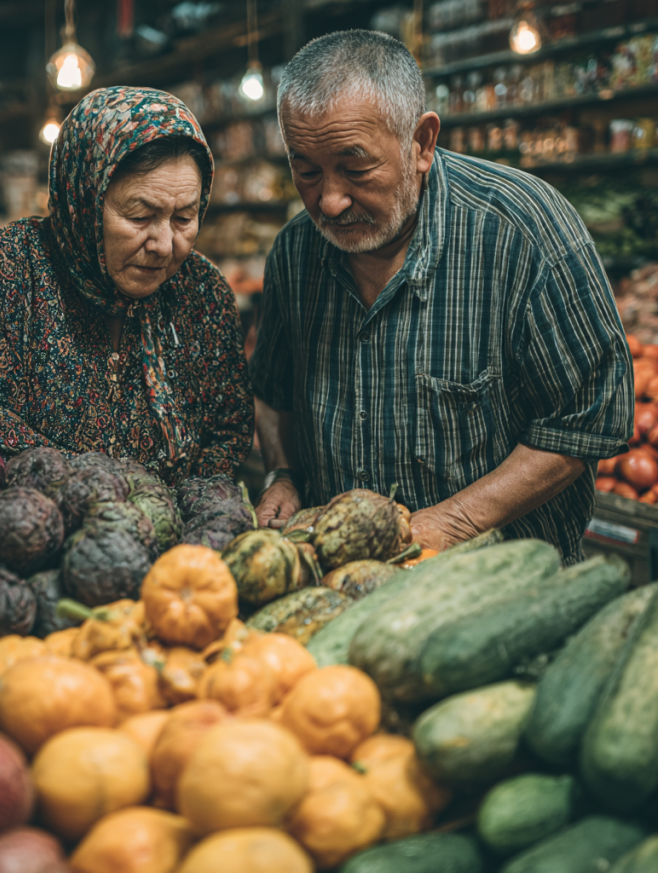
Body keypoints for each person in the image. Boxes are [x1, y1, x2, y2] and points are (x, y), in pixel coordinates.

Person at [250, 30, 633, 564]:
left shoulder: (522, 231)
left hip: (496, 592)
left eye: (356, 169)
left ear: (421, 143)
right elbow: (273, 391)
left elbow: (586, 420)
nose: (330, 203)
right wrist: (283, 473)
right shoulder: (295, 253)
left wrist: (447, 525)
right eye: (306, 171)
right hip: (344, 588)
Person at [0, 87, 253, 485]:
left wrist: (171, 510)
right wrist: (94, 491)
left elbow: (228, 428)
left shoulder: (201, 292)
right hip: (33, 528)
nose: (165, 245)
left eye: (184, 218)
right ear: (85, 199)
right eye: (139, 216)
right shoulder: (10, 269)